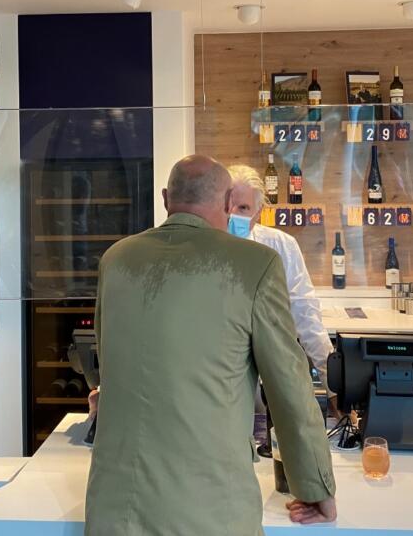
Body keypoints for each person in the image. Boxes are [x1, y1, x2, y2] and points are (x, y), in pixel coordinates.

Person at [86, 155, 336, 535]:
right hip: (211, 506)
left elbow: (110, 362)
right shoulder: (255, 264)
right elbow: (288, 386)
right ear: (225, 203)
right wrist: (315, 486)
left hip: (115, 506)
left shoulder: (116, 260)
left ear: (166, 198)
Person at [226, 164, 335, 415]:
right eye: (228, 205)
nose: (233, 214)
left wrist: (334, 386)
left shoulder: (280, 246)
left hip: (275, 370)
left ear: (258, 212)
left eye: (243, 208)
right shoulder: (204, 250)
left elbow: (306, 315)